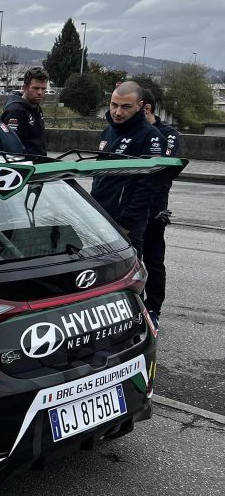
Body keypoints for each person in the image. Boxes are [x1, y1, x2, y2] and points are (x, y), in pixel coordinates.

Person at [90, 81, 165, 258]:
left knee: (127, 278)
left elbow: (149, 186)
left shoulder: (150, 136)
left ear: (139, 106)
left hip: (125, 224)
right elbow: (99, 176)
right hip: (99, 216)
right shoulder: (108, 131)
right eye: (114, 105)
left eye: (126, 107)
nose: (117, 112)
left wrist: (126, 223)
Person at [140, 87, 181, 329]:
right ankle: (136, 306)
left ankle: (154, 308)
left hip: (155, 208)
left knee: (154, 260)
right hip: (131, 208)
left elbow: (162, 170)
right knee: (132, 260)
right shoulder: (130, 132)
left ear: (146, 108)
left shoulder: (168, 134)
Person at [1, 66, 49, 155]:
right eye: (35, 88)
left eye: (43, 89)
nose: (40, 92)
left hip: (39, 164)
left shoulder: (36, 108)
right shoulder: (15, 111)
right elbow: (11, 146)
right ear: (25, 88)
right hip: (26, 165)